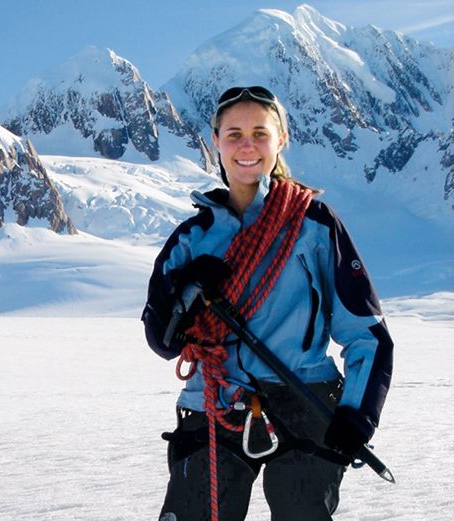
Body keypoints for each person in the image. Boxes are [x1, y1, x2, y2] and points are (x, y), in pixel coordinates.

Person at [142, 86, 393, 521]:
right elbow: (162, 339)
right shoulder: (192, 239)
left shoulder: (314, 225)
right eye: (234, 133)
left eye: (260, 133)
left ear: (281, 141)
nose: (247, 146)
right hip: (213, 403)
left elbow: (366, 334)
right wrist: (185, 290)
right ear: (215, 141)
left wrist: (357, 414)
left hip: (305, 399)